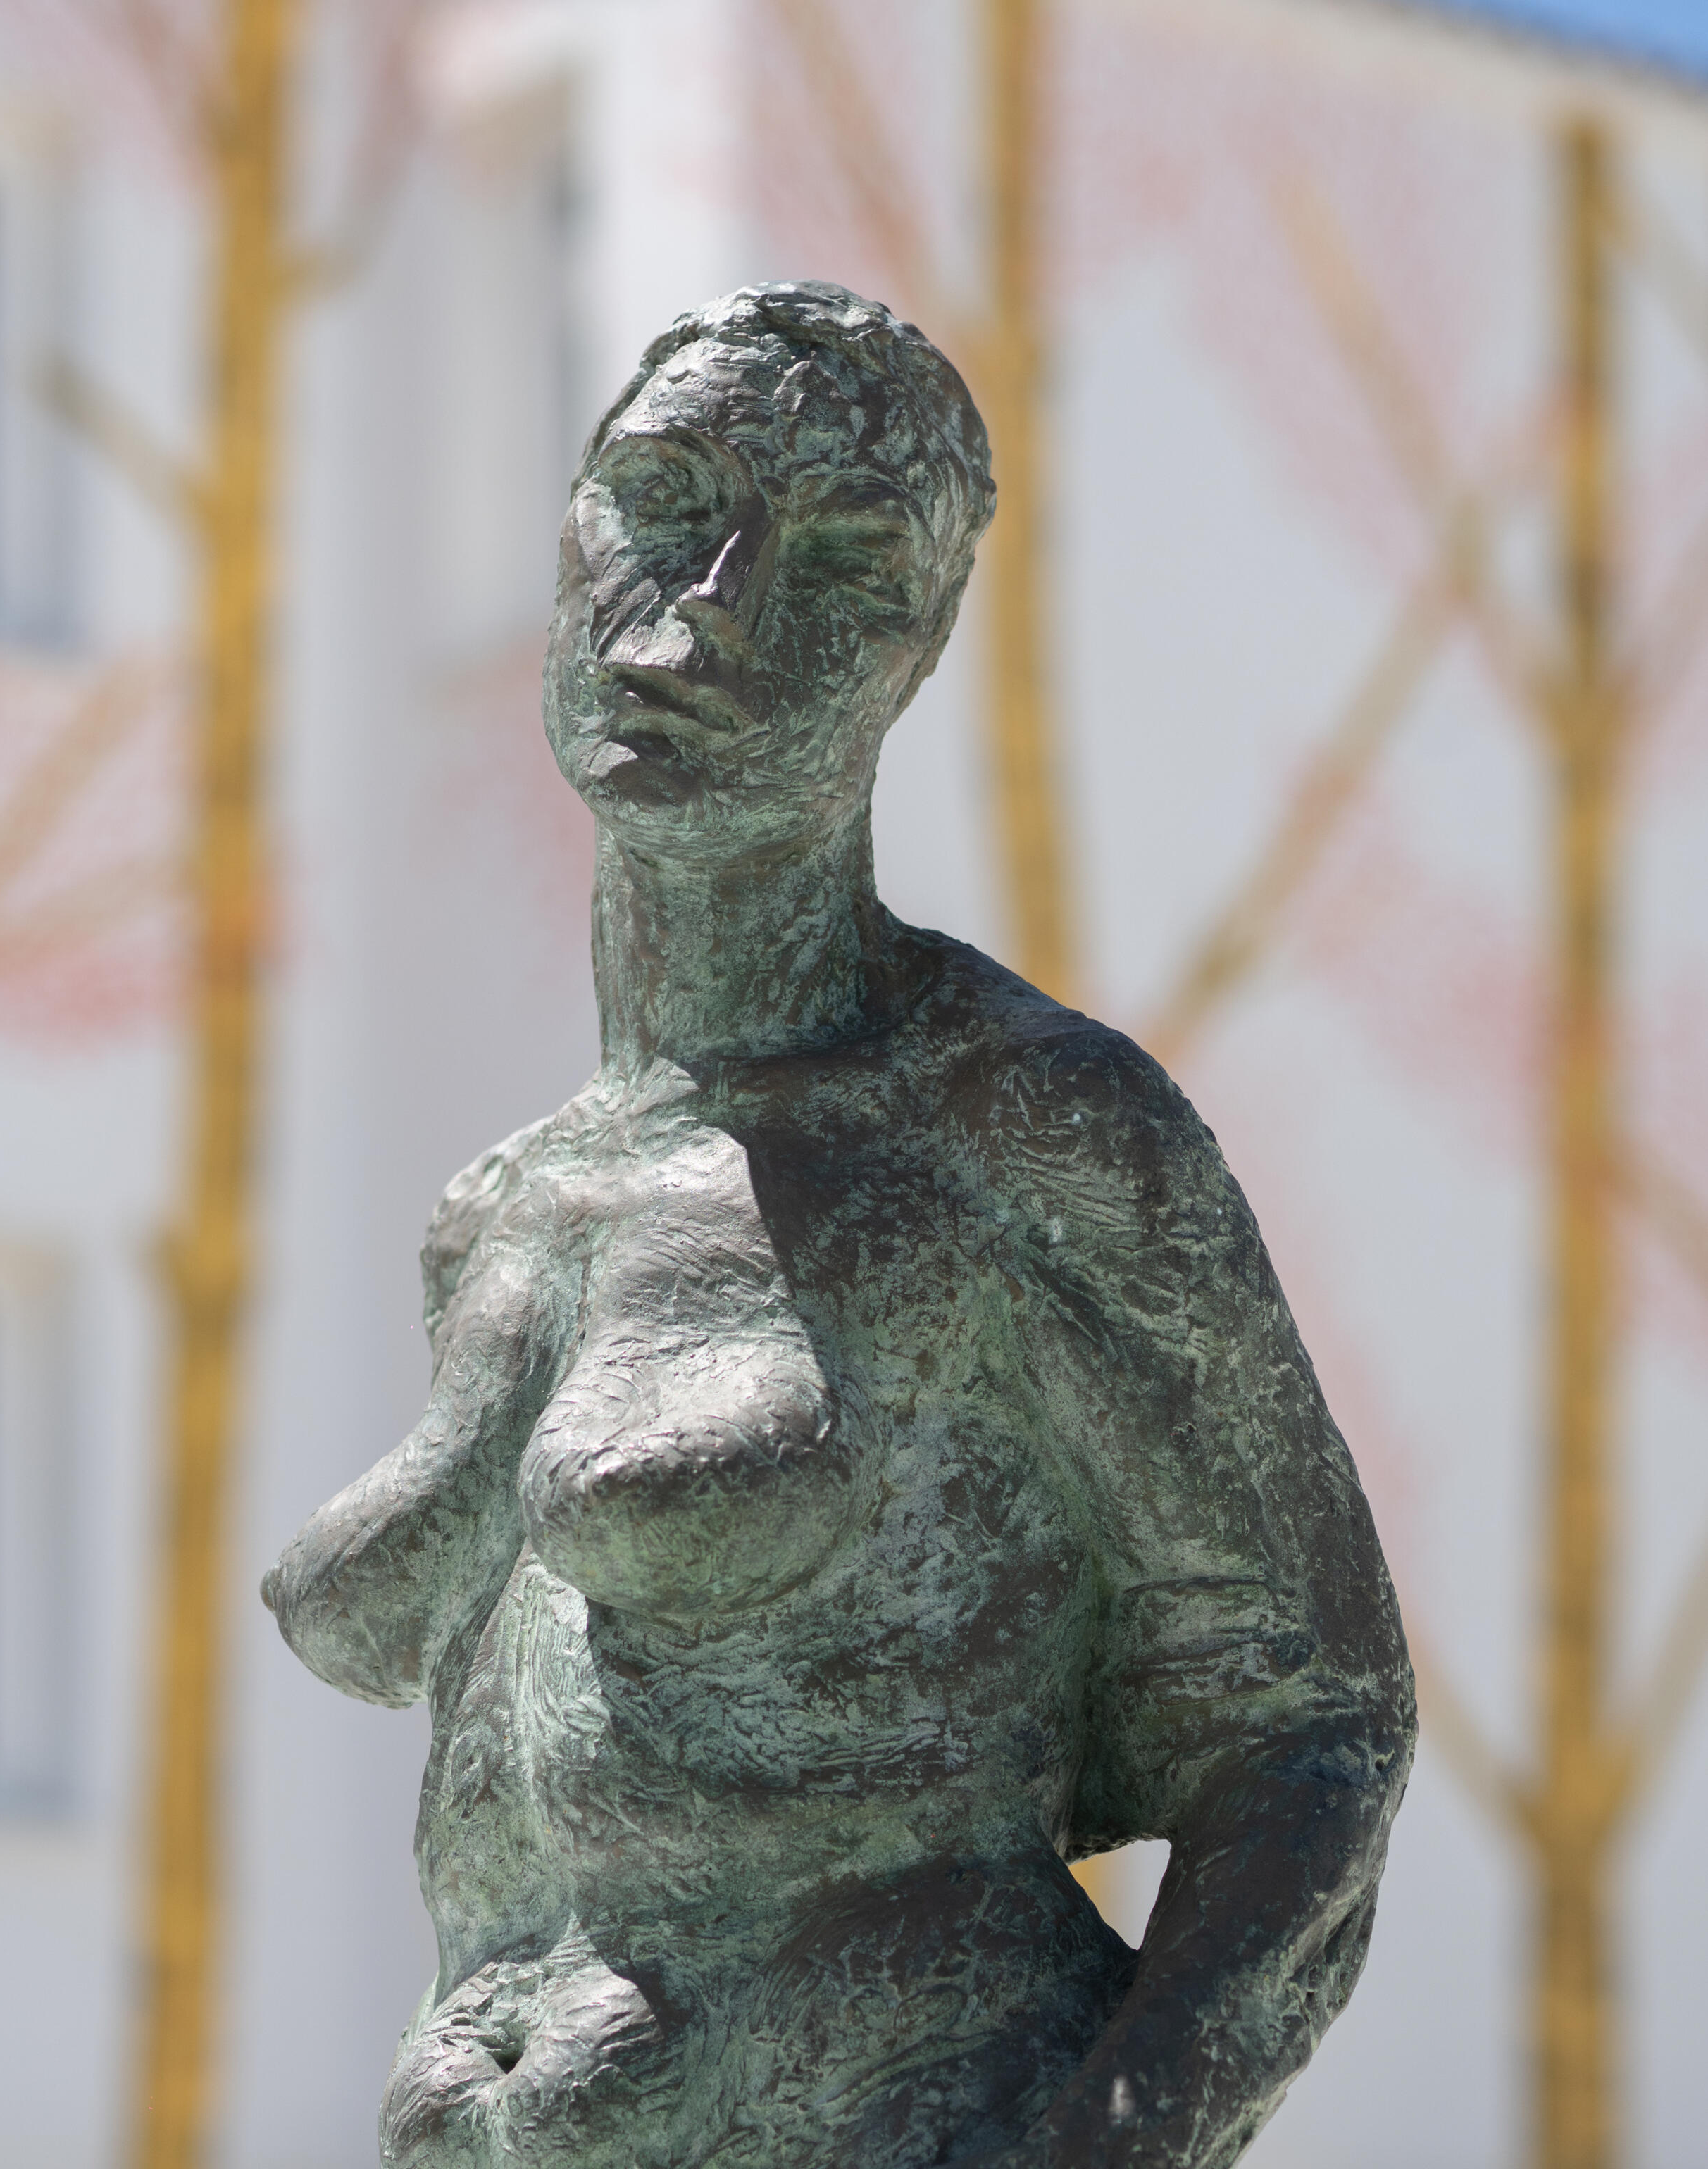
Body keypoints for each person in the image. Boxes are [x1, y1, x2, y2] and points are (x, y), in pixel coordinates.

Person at [263, 282, 1414, 2169]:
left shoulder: (1013, 1129)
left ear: (916, 650)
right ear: (567, 531)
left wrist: (1111, 2146)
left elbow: (1312, 1732)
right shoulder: (503, 1211)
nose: (707, 606)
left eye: (845, 560)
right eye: (663, 494)